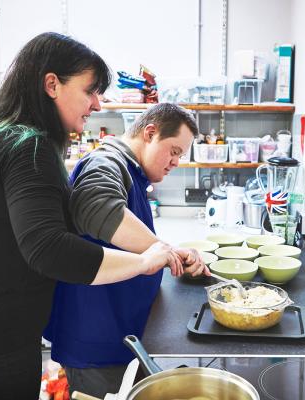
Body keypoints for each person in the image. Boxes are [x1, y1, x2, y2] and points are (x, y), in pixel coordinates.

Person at [0, 32, 192, 400]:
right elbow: (48, 249)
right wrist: (142, 261)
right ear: (52, 84)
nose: (97, 104)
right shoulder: (29, 145)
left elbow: (11, 216)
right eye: (90, 91)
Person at [43, 103, 209, 397]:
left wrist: (170, 252)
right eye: (173, 151)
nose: (175, 162)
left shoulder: (133, 171)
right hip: (96, 344)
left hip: (119, 336)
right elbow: (95, 208)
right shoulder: (106, 162)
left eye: (180, 156)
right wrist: (165, 250)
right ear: (150, 133)